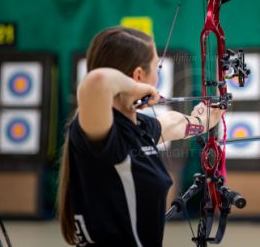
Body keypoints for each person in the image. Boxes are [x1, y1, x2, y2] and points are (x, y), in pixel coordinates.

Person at [57, 26, 223, 247]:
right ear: (138, 76)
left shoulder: (137, 126)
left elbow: (171, 125)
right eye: (157, 67)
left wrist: (201, 122)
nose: (158, 74)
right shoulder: (101, 134)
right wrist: (135, 88)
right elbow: (96, 81)